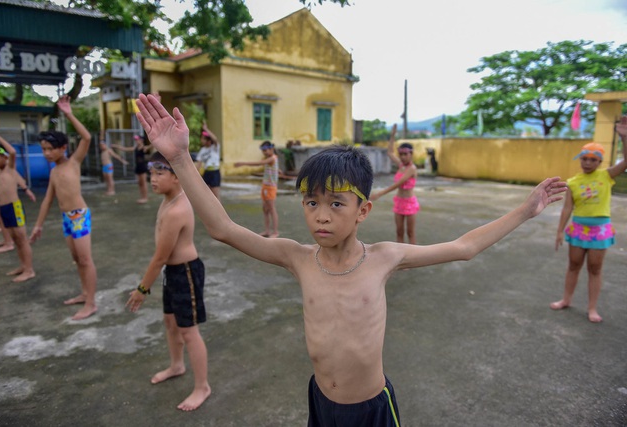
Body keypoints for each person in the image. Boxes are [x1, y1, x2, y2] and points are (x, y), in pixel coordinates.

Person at [134, 93, 566, 426]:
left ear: (362, 211)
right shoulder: (297, 257)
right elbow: (224, 229)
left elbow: (464, 246)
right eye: (311, 202)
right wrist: (179, 159)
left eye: (336, 204)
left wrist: (525, 211)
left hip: (371, 409)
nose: (321, 215)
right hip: (321, 401)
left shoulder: (384, 258)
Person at [126, 151, 211, 411]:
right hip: (172, 274)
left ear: (177, 177)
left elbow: (161, 256)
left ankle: (202, 387)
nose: (152, 179)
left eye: (159, 173)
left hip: (184, 273)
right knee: (170, 322)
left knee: (189, 331)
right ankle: (177, 365)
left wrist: (142, 289)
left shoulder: (177, 209)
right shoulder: (168, 199)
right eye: (151, 173)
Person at [549, 121, 627, 323]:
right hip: (578, 229)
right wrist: (560, 231)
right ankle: (566, 299)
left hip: (600, 230)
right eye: (584, 158)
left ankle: (592, 308)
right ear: (580, 160)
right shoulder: (573, 182)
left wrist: (624, 138)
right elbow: (567, 208)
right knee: (573, 265)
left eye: (593, 159)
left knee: (595, 268)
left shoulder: (606, 175)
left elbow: (626, 162)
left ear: (599, 162)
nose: (588, 163)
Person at [30, 95, 98, 321]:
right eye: (43, 149)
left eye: (50, 149)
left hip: (80, 216)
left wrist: (68, 113)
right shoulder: (54, 172)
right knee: (77, 260)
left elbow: (86, 137)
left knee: (86, 260)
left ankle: (91, 303)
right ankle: (85, 293)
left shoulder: (73, 163)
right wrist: (38, 226)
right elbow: (48, 201)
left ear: (62, 148)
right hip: (66, 219)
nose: (46, 153)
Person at [0, 126, 35, 282]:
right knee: (16, 240)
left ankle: (29, 270)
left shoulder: (9, 168)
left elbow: (12, 152)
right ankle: (23, 266)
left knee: (22, 239)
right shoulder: (0, 175)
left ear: (4, 158)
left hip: (15, 208)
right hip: (5, 209)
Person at [370, 124, 419, 244]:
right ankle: (400, 257)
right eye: (401, 154)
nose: (402, 157)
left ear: (411, 154)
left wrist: (380, 193)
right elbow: (390, 152)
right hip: (399, 201)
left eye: (405, 154)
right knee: (399, 232)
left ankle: (413, 257)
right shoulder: (401, 165)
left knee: (410, 232)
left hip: (409, 202)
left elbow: (399, 184)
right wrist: (392, 136)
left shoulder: (412, 168)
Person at [234, 140, 280, 238]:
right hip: (265, 186)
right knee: (265, 209)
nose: (265, 152)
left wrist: (243, 163)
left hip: (271, 187)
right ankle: (267, 231)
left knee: (271, 209)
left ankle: (275, 231)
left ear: (272, 149)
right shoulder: (270, 158)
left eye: (266, 150)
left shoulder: (272, 158)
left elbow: (259, 163)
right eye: (263, 151)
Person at [112, 134, 152, 203]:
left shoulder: (144, 148)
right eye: (136, 140)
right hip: (137, 167)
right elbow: (125, 149)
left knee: (144, 183)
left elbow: (152, 145)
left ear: (141, 140)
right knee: (140, 183)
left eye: (138, 140)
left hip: (143, 167)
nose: (136, 141)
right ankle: (142, 197)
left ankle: (145, 198)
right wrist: (116, 146)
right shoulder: (135, 148)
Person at [194, 123, 221, 200]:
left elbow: (215, 139)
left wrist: (206, 129)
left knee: (216, 196)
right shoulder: (202, 151)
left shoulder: (215, 147)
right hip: (207, 173)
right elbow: (198, 165)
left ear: (208, 140)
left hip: (215, 172)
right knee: (207, 195)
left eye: (203, 138)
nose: (201, 140)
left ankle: (218, 211)